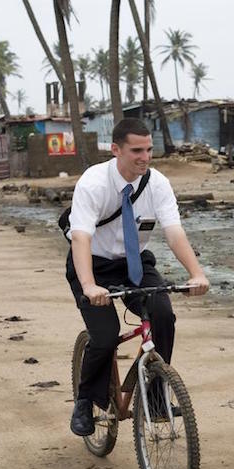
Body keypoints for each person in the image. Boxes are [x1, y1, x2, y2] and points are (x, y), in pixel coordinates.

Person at [65, 118, 209, 436]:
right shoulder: (94, 183)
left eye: (149, 149)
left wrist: (196, 274)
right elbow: (81, 239)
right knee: (105, 336)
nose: (145, 157)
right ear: (115, 150)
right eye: (136, 151)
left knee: (163, 314)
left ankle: (156, 395)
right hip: (93, 264)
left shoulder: (157, 183)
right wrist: (89, 285)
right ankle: (85, 401)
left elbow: (174, 233)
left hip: (135, 265)